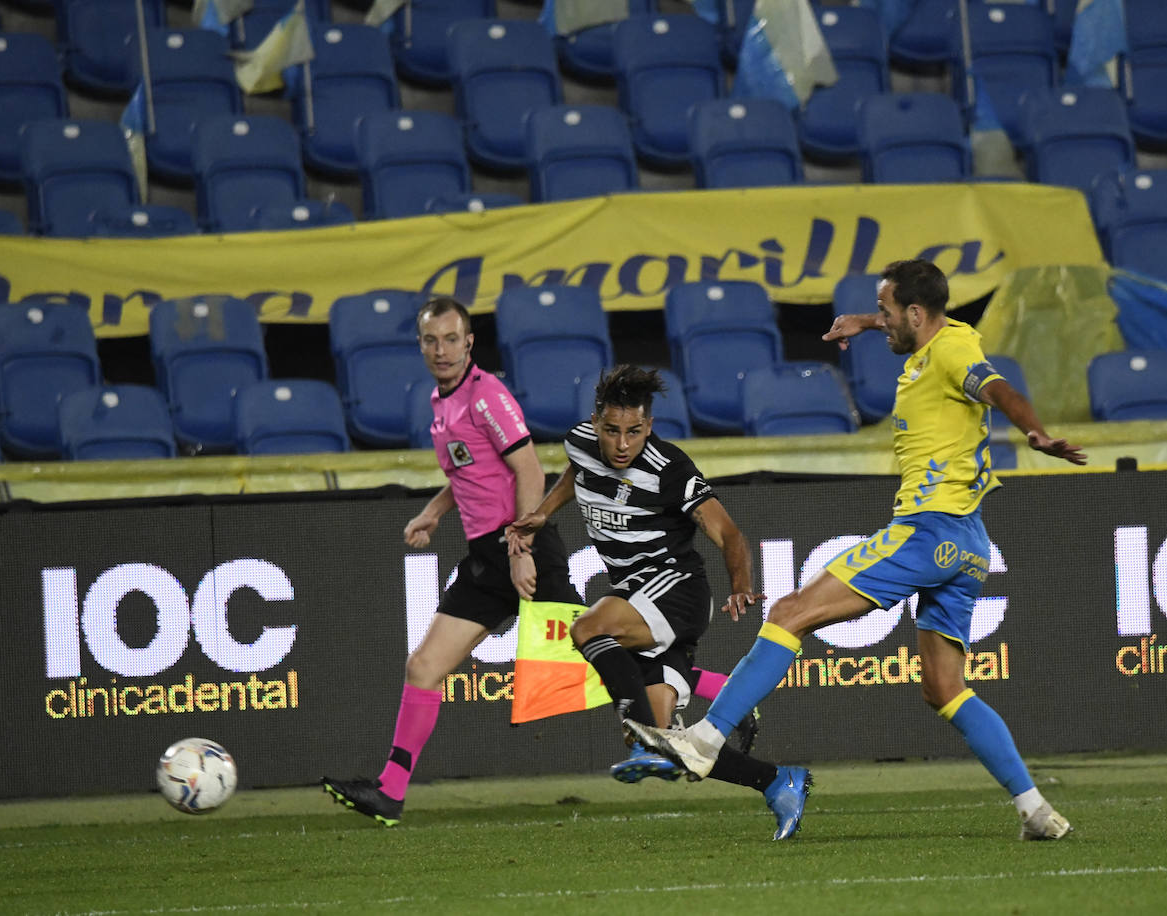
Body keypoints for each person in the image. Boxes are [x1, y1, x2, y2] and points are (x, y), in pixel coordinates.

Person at [626, 259, 1087, 842]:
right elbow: (935, 339)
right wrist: (868, 321)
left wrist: (1033, 430)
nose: (885, 322)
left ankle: (704, 741)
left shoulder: (949, 355)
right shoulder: (951, 336)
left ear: (916, 314)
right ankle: (1036, 810)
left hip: (927, 532)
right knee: (945, 689)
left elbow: (999, 391)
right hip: (969, 544)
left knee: (789, 613)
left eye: (890, 312)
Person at [322, 299, 746, 827]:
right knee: (424, 667)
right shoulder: (440, 401)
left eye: (452, 339)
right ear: (420, 345)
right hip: (484, 557)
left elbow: (526, 468)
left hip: (519, 551)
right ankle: (390, 791)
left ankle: (730, 692)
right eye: (432, 341)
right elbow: (471, 476)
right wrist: (433, 513)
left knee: (598, 653)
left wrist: (521, 550)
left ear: (469, 342)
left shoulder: (486, 397)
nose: (442, 350)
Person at [508, 364, 812, 841]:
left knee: (588, 627)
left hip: (677, 590)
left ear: (649, 426)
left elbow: (729, 533)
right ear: (595, 423)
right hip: (637, 595)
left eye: (634, 431)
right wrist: (542, 514)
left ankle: (641, 746)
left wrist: (739, 583)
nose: (622, 444)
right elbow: (577, 474)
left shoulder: (670, 469)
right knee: (675, 745)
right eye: (611, 431)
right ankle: (777, 781)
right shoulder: (581, 444)